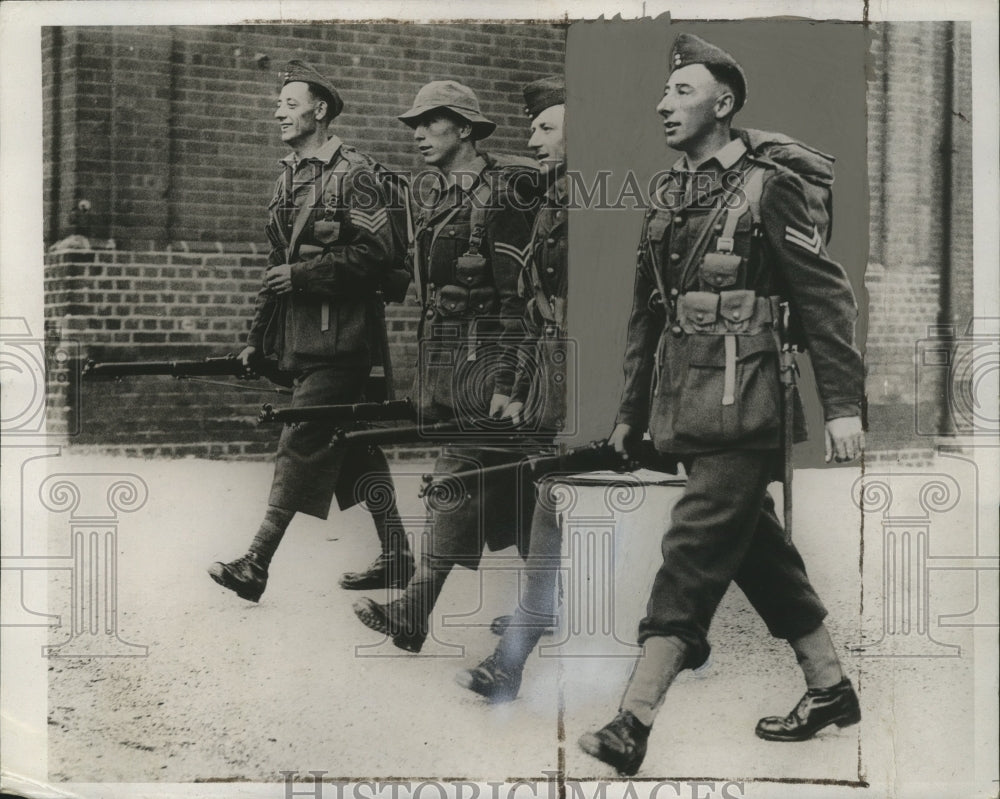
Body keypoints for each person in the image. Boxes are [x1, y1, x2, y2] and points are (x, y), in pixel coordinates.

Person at [577, 34, 866, 776]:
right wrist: (629, 413)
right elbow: (650, 312)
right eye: (665, 93)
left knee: (694, 548)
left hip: (749, 404)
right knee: (757, 551)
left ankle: (632, 721)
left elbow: (825, 296)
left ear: (724, 104)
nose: (662, 104)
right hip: (687, 404)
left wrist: (842, 405)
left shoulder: (771, 187)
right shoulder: (669, 193)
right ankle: (830, 687)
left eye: (682, 92)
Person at [207, 60, 414, 603]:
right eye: (279, 104)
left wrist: (302, 274)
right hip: (301, 340)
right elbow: (274, 269)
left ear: (320, 110)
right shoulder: (287, 178)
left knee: (300, 439)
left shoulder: (357, 174)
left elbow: (377, 255)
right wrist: (258, 337)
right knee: (353, 445)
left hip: (344, 339)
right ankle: (398, 555)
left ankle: (256, 562)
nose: (278, 111)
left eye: (290, 103)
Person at [351, 80, 542, 653]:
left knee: (456, 480)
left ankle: (416, 605)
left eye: (430, 123)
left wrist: (511, 379)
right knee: (518, 490)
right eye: (414, 124)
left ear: (464, 129)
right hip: (447, 365)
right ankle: (550, 601)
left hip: (487, 369)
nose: (417, 134)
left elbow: (518, 297)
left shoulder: (506, 194)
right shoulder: (432, 195)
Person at [454, 76, 569, 701]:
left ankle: (518, 648)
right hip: (556, 372)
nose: (532, 139)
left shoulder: (593, 203)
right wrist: (517, 383)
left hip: (596, 378)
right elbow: (536, 308)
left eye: (546, 127)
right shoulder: (552, 201)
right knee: (549, 495)